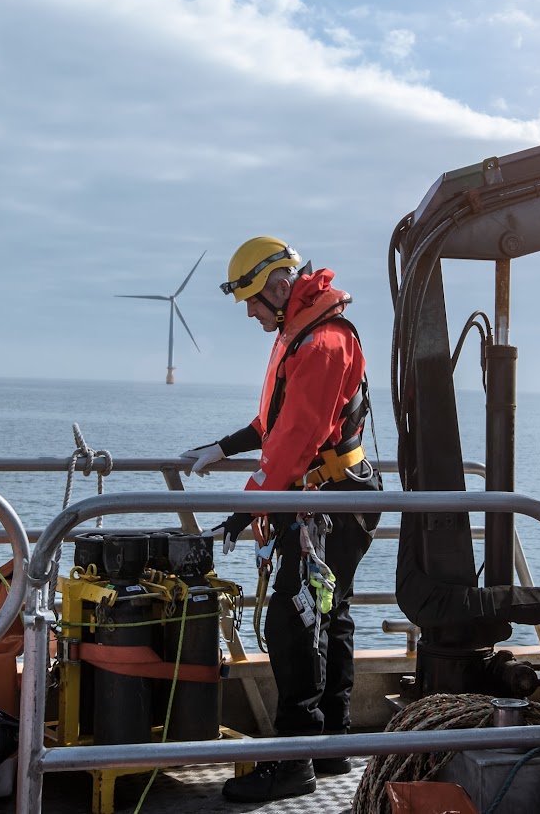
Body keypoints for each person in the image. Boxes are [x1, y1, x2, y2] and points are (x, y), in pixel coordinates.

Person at [181, 236, 382, 803]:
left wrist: (243, 512)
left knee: (292, 625)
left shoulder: (321, 343)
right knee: (328, 610)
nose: (249, 312)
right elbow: (274, 421)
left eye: (251, 300)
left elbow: (294, 445)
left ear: (276, 288)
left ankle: (294, 762)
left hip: (327, 502)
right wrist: (223, 447)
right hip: (334, 495)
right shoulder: (306, 334)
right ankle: (331, 744)